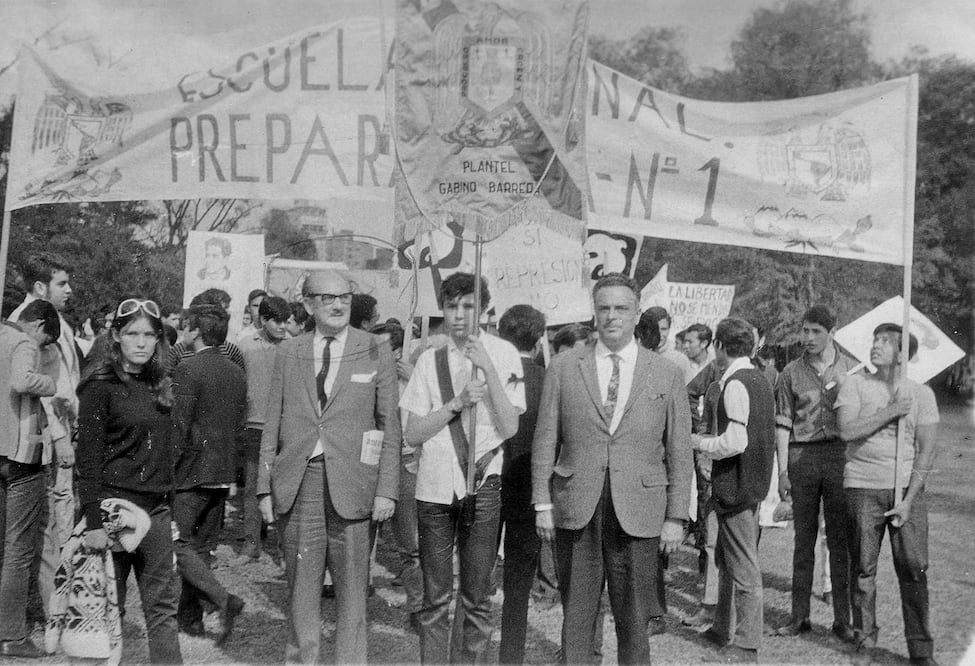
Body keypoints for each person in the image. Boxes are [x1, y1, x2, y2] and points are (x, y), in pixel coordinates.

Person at [532, 273, 693, 664]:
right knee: (577, 619)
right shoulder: (566, 367)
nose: (612, 316)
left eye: (621, 308)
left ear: (638, 314)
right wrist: (542, 503)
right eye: (603, 308)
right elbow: (545, 436)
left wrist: (676, 515)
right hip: (577, 506)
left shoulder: (667, 372)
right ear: (594, 313)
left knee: (635, 619)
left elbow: (679, 449)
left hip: (639, 509)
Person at [257, 271, 400, 663]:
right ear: (307, 304)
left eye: (345, 298)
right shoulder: (289, 351)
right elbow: (273, 421)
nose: (338, 306)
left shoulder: (374, 348)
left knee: (353, 596)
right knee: (301, 593)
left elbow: (389, 424)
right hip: (299, 483)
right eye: (327, 298)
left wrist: (387, 488)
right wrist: (263, 487)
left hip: (353, 486)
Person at [400, 272, 523, 663]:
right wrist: (455, 404)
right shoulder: (428, 359)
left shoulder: (504, 353)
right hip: (435, 486)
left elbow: (510, 425)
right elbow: (414, 432)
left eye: (468, 306)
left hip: (483, 484)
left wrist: (486, 368)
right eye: (451, 306)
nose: (458, 315)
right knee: (435, 597)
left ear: (484, 309)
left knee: (477, 596)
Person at [75, 298, 182, 664]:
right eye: (132, 334)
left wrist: (172, 512)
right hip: (111, 512)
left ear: (158, 340)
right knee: (110, 608)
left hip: (157, 511)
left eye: (149, 335)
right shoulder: (99, 386)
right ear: (116, 336)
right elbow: (86, 460)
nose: (140, 342)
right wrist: (92, 523)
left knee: (163, 610)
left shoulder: (161, 385)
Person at [836, 324, 939, 666]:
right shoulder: (855, 384)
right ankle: (865, 642)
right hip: (862, 487)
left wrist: (909, 499)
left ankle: (921, 651)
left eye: (885, 342)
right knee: (863, 569)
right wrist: (890, 412)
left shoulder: (921, 394)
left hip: (905, 494)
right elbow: (847, 430)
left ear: (902, 353)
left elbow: (926, 451)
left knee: (913, 569)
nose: (876, 346)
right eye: (875, 339)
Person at [690, 317, 776, 664]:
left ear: (720, 347)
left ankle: (746, 645)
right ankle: (721, 628)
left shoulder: (735, 384)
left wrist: (699, 442)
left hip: (737, 487)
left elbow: (736, 441)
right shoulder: (759, 379)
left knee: (742, 568)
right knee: (727, 560)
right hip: (748, 485)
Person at [773, 305, 858, 642]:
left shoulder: (852, 370)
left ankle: (842, 621)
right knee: (803, 542)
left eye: (815, 332)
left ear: (832, 331)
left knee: (840, 542)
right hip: (802, 458)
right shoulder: (790, 373)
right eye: (804, 331)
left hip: (839, 457)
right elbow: (782, 425)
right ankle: (799, 617)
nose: (807, 338)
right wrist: (782, 471)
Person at [10, 253, 81, 624]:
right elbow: (46, 394)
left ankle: (42, 604)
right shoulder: (33, 330)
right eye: (61, 283)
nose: (69, 290)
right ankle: (52, 608)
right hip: (44, 441)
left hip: (50, 436)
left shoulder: (48, 323)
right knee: (50, 525)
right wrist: (61, 439)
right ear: (40, 287)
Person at [171, 305, 247, 642]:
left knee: (176, 543)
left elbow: (179, 424)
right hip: (223, 469)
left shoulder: (188, 368)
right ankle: (191, 619)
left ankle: (221, 599)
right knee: (200, 548)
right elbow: (241, 422)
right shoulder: (236, 371)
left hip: (190, 471)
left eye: (187, 328)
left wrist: (165, 469)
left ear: (195, 332)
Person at [0, 302, 60, 659]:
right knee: (20, 549)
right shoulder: (22, 342)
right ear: (37, 324)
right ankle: (11, 634)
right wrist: (50, 383)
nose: (42, 347)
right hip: (21, 456)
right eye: (45, 339)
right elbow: (22, 380)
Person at [496, 304, 546, 664]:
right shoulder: (550, 378)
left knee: (477, 575)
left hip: (491, 483)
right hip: (530, 488)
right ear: (539, 338)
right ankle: (510, 655)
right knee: (517, 583)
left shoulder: (493, 377)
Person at [237, 296, 291, 560]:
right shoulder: (245, 345)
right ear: (263, 320)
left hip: (285, 428)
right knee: (251, 489)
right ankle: (250, 545)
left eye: (286, 321)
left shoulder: (294, 347)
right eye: (277, 322)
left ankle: (285, 547)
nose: (282, 327)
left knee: (284, 489)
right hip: (254, 426)